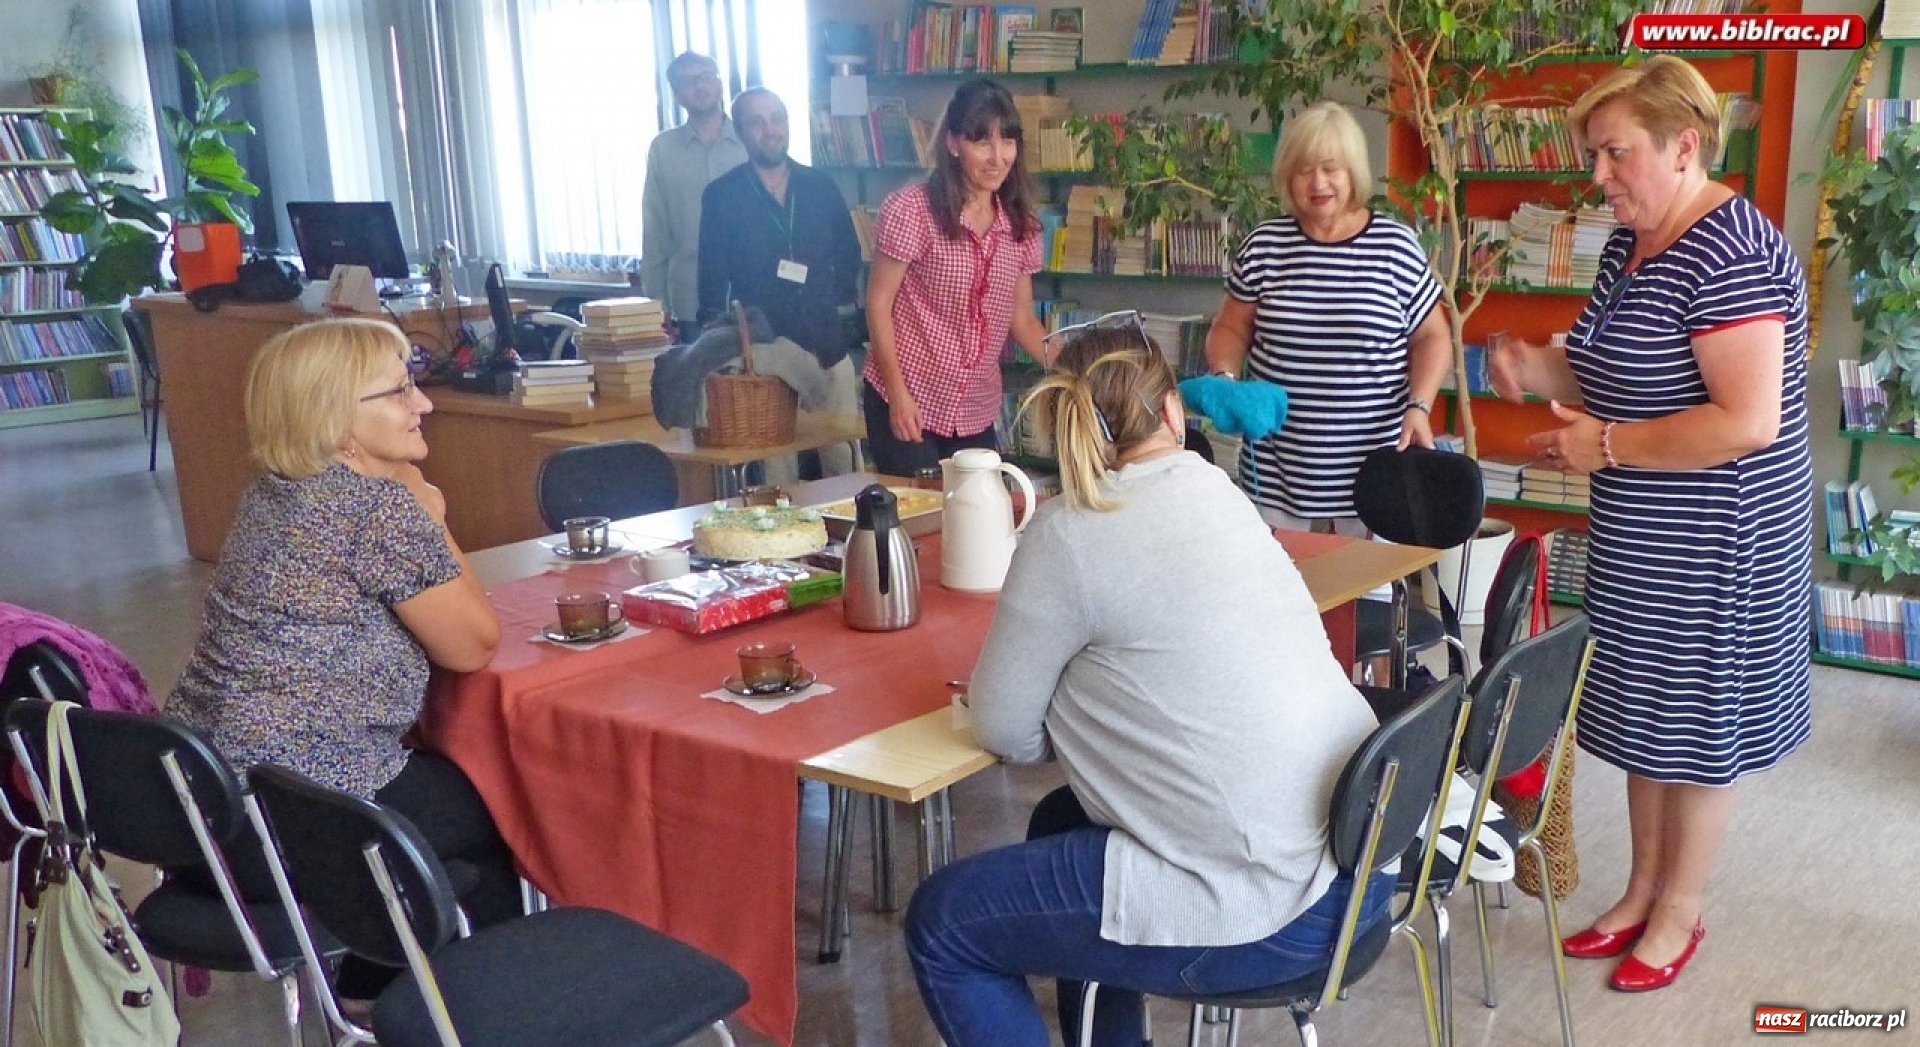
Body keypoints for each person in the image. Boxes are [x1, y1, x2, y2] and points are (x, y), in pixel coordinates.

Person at [903, 324, 1393, 1046]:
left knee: (943, 924)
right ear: (1173, 413)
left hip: (1267, 908)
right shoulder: (1216, 487)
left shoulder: (1066, 534)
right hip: (1360, 865)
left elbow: (1003, 729)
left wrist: (1069, 705)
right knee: (1060, 822)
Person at [1488, 55, 1812, 993]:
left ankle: (1681, 908)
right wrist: (1540, 374)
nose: (1598, 175)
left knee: (1699, 726)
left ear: (1684, 145)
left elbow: (1744, 421)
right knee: (1643, 719)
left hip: (1722, 537)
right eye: (1593, 155)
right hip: (1642, 528)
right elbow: (1610, 372)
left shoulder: (1733, 250)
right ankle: (1638, 891)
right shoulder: (1634, 241)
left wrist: (1608, 447)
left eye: (1614, 152)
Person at [167, 318, 518, 1001]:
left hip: (196, 810)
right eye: (399, 390)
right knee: (507, 805)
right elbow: (474, 644)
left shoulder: (274, 489)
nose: (425, 403)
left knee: (448, 796)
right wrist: (433, 514)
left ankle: (372, 987)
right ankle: (461, 1010)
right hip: (293, 824)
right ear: (336, 421)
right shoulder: (374, 508)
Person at [1204, 100, 1450, 534]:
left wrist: (1419, 405)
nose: (1318, 183)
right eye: (1304, 170)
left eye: (1331, 168)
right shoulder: (1265, 244)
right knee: (1283, 593)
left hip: (1375, 468)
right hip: (1277, 471)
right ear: (1287, 177)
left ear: (1352, 172)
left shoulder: (1394, 245)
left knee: (1367, 596)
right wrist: (1226, 383)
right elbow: (1230, 327)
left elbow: (1433, 337)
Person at [863, 77, 1050, 476]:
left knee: (975, 522)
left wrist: (1080, 366)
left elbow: (1023, 321)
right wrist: (898, 395)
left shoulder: (1023, 224)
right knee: (925, 520)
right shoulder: (911, 210)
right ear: (952, 143)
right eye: (981, 141)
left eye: (1008, 142)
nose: (997, 157)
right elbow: (878, 305)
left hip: (975, 408)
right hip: (908, 396)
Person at [697, 87, 863, 478]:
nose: (768, 129)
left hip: (826, 341)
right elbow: (711, 277)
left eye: (776, 118)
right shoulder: (722, 196)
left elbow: (848, 251)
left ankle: (846, 537)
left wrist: (834, 302)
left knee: (842, 457)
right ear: (739, 132)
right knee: (778, 469)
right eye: (755, 121)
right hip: (765, 348)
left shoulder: (819, 186)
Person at [642, 52, 747, 328]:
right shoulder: (663, 150)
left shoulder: (751, 140)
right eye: (687, 82)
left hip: (753, 296)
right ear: (677, 95)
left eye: (704, 77)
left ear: (719, 84)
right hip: (689, 299)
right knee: (694, 373)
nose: (699, 86)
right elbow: (655, 230)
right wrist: (656, 305)